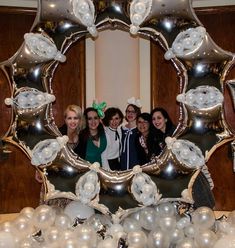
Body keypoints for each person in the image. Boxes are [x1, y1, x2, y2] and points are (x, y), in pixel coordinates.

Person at [120, 98, 141, 170]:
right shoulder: (121, 129)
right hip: (122, 167)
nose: (130, 114)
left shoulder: (140, 130)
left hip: (137, 167)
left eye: (133, 112)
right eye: (128, 111)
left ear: (137, 113)